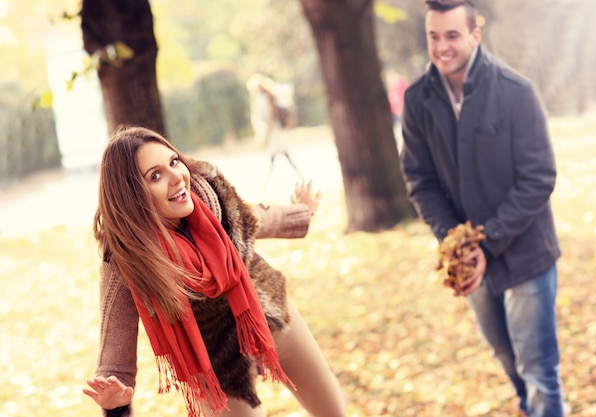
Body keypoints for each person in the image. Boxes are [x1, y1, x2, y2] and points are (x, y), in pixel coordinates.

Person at [82, 126, 346, 417]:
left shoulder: (210, 194)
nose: (177, 178)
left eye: (173, 162)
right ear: (131, 195)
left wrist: (301, 213)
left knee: (332, 411)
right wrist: (114, 400)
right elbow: (114, 349)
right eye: (155, 176)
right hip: (211, 358)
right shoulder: (127, 258)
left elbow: (253, 217)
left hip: (264, 311)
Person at [399, 1, 565, 416]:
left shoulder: (515, 92)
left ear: (476, 34)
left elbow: (539, 177)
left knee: (538, 371)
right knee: (508, 362)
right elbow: (420, 179)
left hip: (527, 255)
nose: (441, 47)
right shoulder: (418, 100)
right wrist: (456, 244)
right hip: (471, 263)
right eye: (433, 36)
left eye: (452, 35)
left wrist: (485, 245)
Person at [246, 73, 303, 188]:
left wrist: (261, 134)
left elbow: (263, 118)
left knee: (274, 157)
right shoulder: (273, 95)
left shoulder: (262, 98)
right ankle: (299, 176)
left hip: (273, 133)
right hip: (279, 132)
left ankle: (266, 184)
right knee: (284, 156)